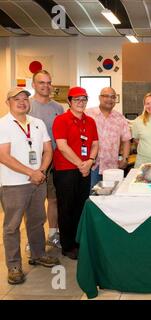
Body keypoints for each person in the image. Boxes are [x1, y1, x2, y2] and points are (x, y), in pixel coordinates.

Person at [0, 88, 60, 285]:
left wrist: (41, 171)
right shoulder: (3, 124)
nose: (22, 102)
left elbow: (48, 150)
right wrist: (31, 172)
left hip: (38, 180)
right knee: (12, 226)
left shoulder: (37, 123)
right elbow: (4, 156)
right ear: (8, 102)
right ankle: (14, 265)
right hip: (14, 184)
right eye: (17, 99)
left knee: (36, 220)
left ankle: (38, 253)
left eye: (25, 99)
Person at [52, 87, 98, 260]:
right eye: (77, 99)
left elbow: (94, 143)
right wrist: (81, 164)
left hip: (84, 168)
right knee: (67, 208)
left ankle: (79, 241)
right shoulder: (61, 120)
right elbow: (62, 146)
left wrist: (90, 161)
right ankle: (68, 245)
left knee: (80, 206)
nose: (81, 102)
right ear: (69, 102)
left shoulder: (90, 121)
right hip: (66, 170)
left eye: (84, 99)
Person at [29, 70, 64, 249]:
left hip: (54, 159)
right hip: (31, 162)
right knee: (33, 202)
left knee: (53, 198)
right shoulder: (26, 105)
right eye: (41, 82)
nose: (46, 86)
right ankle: (33, 238)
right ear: (34, 84)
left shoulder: (58, 108)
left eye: (49, 82)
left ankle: (53, 234)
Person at [85, 87, 131, 187]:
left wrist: (125, 159)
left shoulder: (120, 118)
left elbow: (126, 139)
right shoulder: (88, 114)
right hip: (92, 166)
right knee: (91, 196)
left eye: (113, 97)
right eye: (106, 96)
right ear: (99, 98)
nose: (109, 99)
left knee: (111, 196)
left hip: (112, 167)